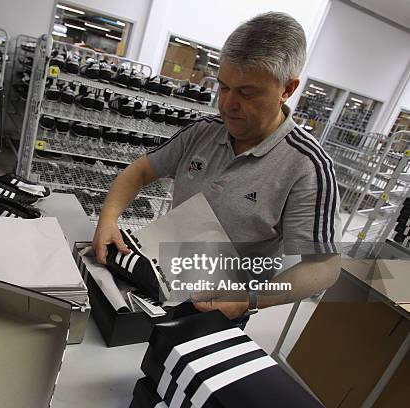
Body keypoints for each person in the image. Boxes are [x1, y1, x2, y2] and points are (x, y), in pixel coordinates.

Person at [92, 12, 341, 324]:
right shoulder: (204, 131)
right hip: (163, 275)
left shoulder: (308, 167)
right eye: (223, 87)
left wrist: (249, 300)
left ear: (287, 89)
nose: (227, 104)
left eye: (246, 93)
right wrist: (109, 218)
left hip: (220, 307)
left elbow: (324, 267)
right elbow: (139, 172)